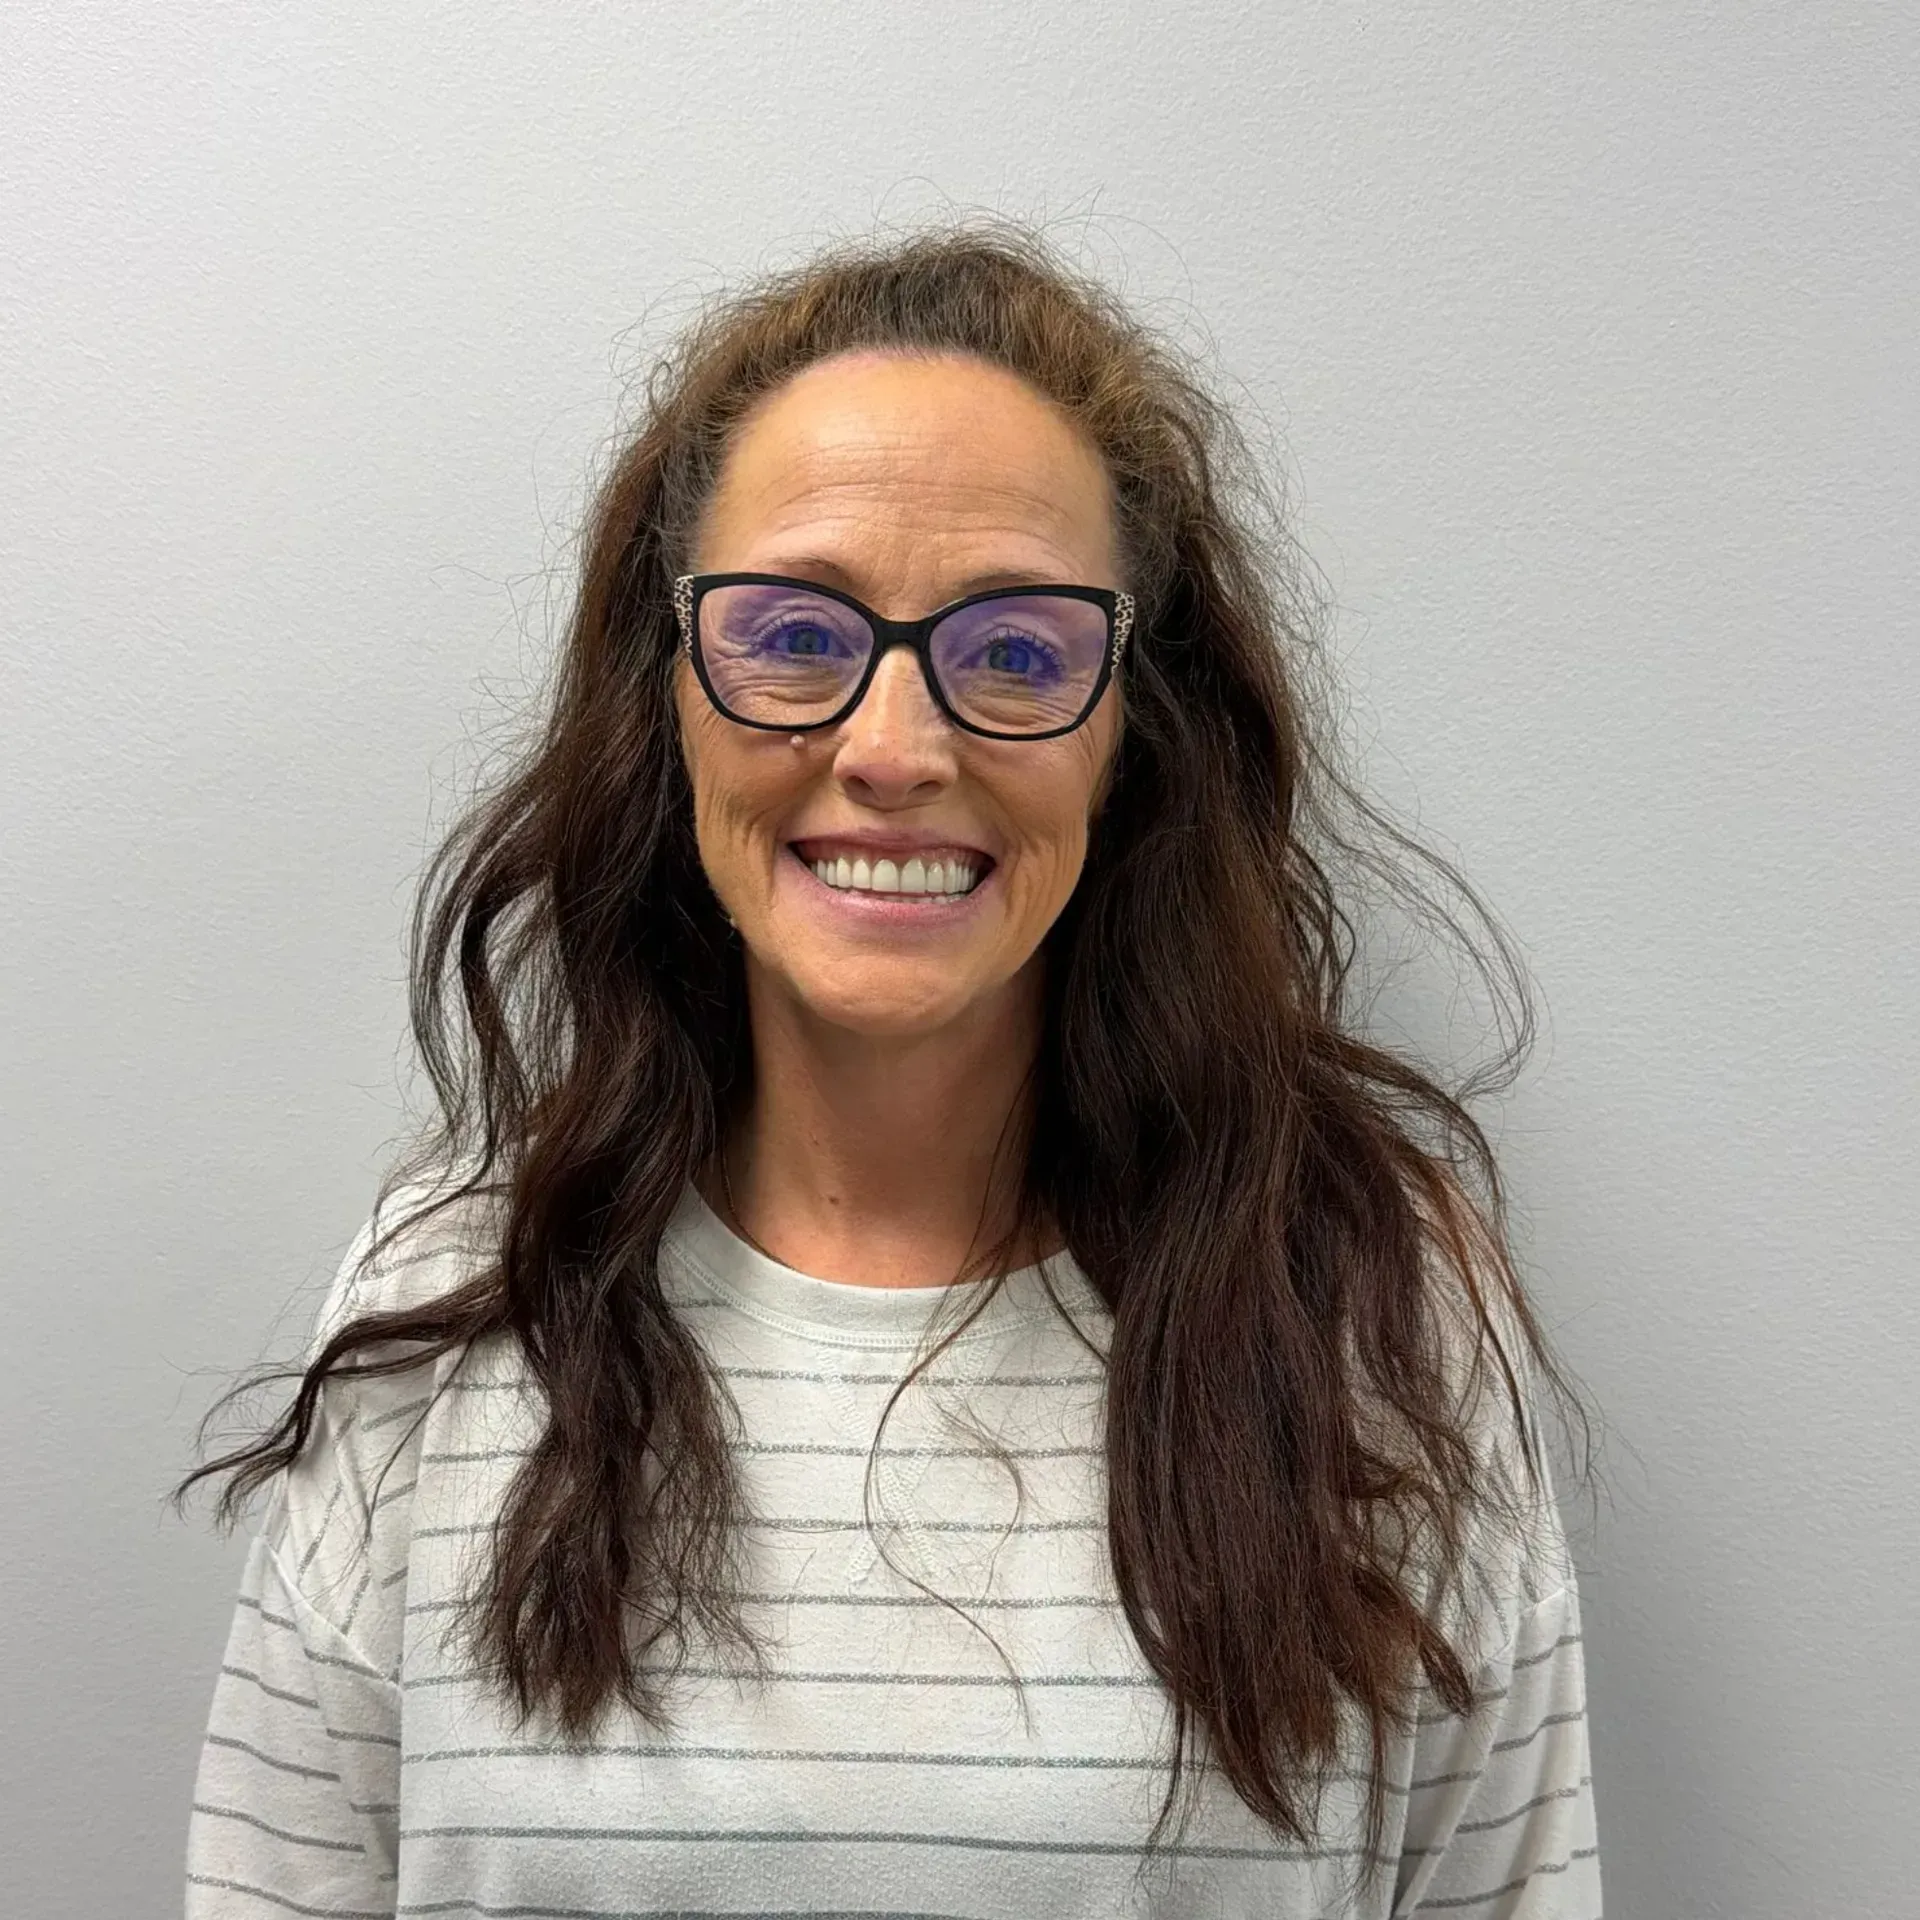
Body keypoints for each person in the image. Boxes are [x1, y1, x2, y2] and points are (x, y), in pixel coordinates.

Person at [176, 222, 1602, 1918]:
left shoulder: (1368, 1305)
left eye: (1016, 652)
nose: (892, 751)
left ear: (1130, 723)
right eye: (794, 633)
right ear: (671, 693)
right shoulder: (459, 1286)